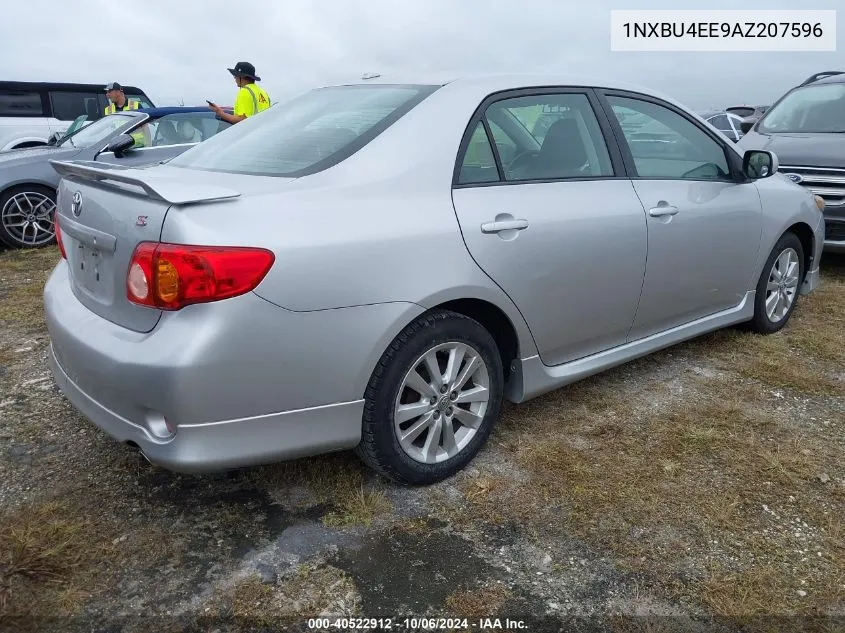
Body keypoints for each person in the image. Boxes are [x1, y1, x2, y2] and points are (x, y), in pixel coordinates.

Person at [104, 82, 147, 148]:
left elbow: (145, 128)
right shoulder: (108, 110)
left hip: (137, 146)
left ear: (118, 92)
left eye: (109, 92)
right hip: (118, 146)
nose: (107, 95)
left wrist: (148, 146)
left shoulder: (136, 106)